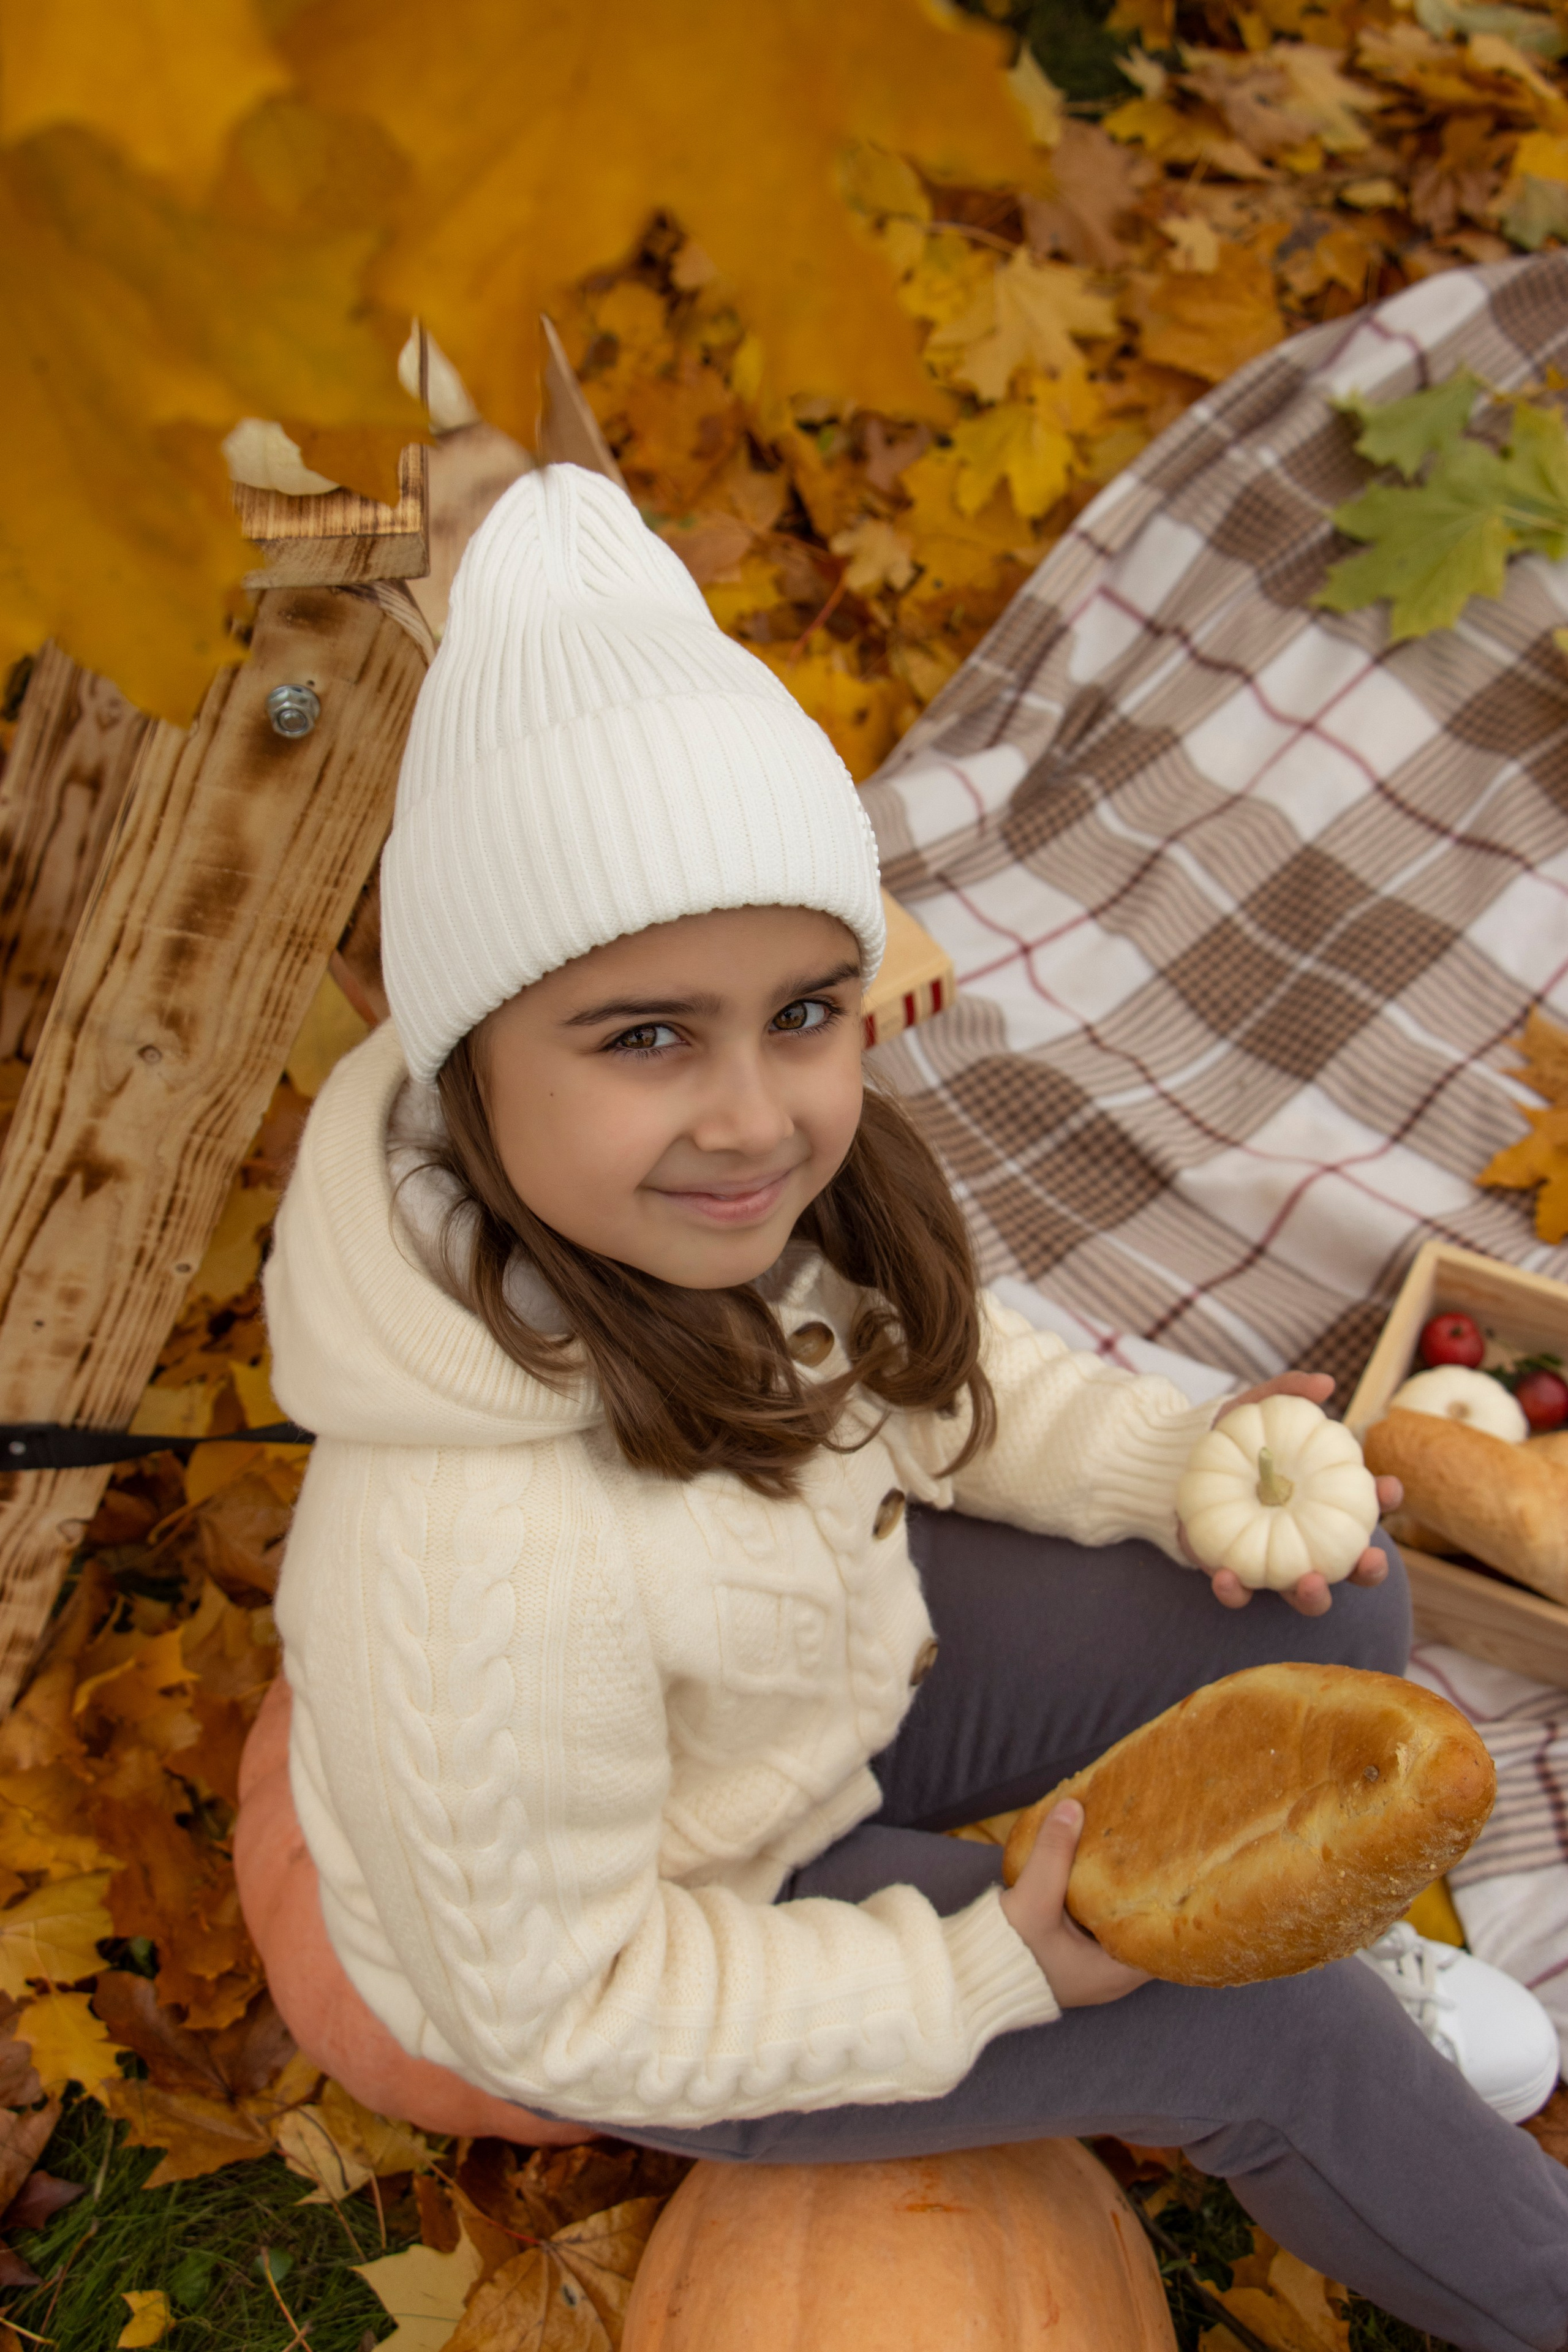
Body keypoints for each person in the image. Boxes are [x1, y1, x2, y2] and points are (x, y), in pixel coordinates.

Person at [265, 464, 1568, 2352]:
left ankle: (1320, 1938)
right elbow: (555, 2010)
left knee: (1329, 1593)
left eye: (802, 1012)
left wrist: (1170, 1467)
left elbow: (954, 1399)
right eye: (646, 1036)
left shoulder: (741, 1219)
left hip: (818, 1688)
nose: (754, 1116)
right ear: (474, 1056)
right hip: (695, 1943)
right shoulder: (484, 1572)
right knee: (1270, 2038)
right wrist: (983, 1973)